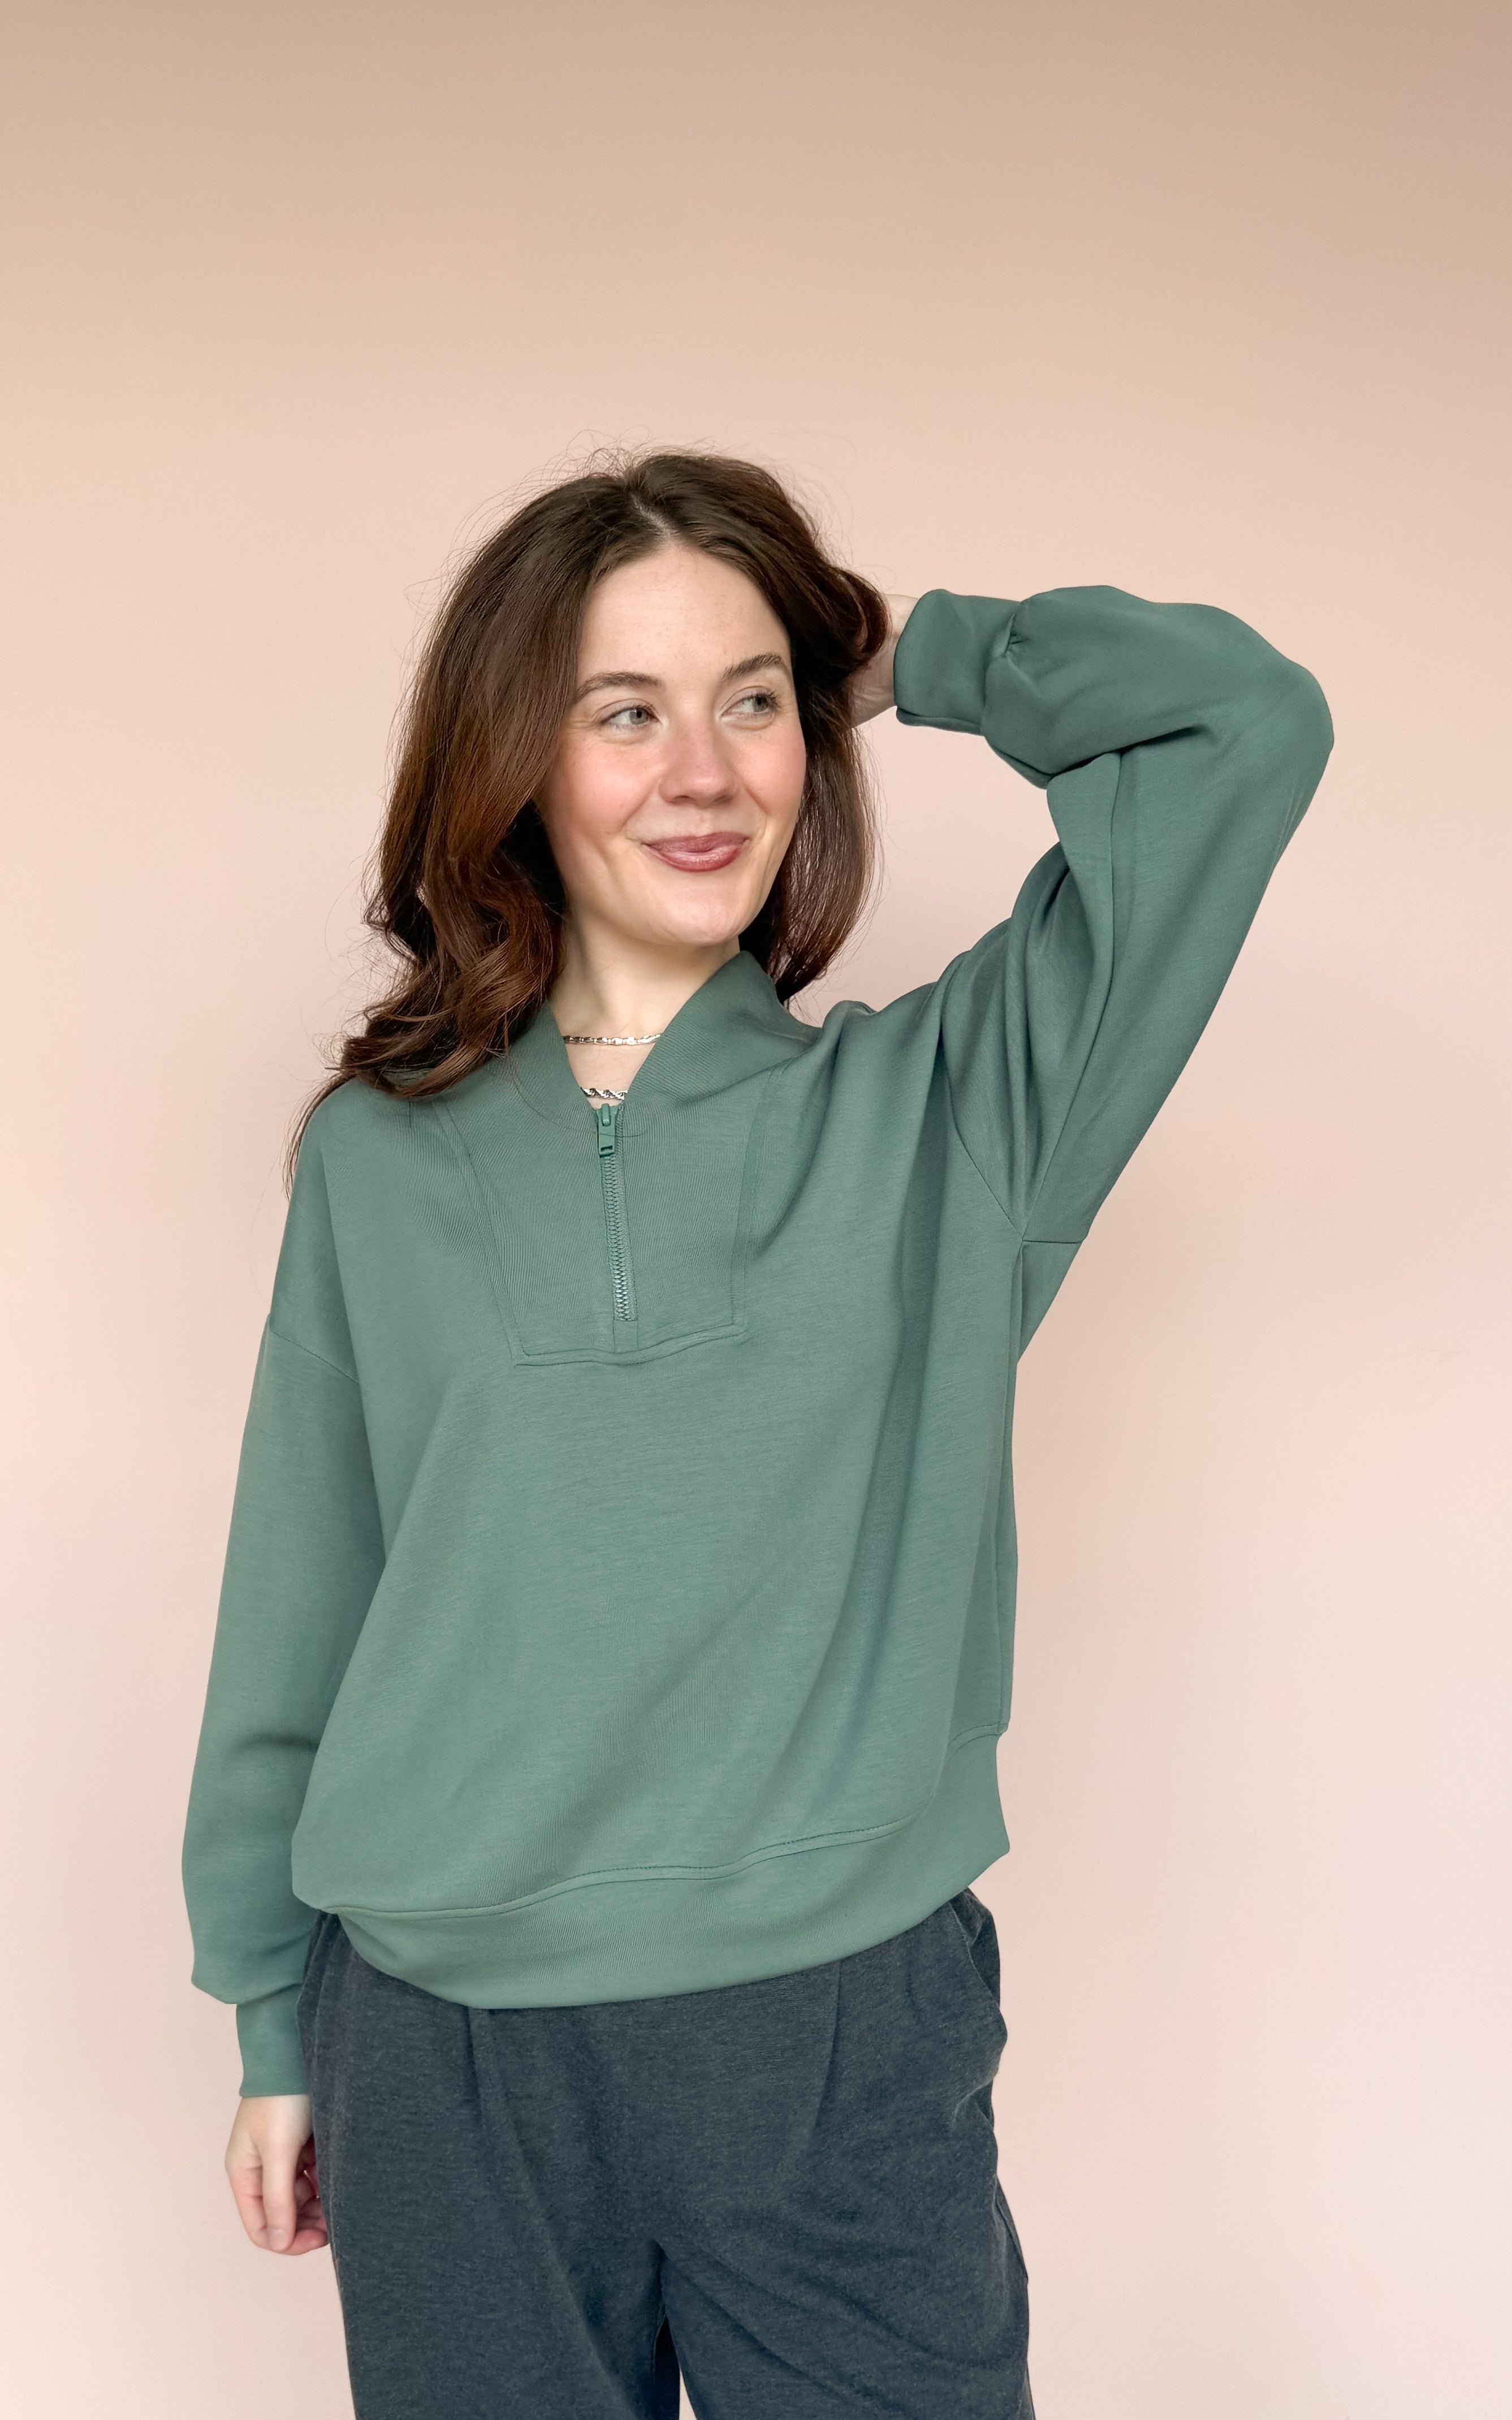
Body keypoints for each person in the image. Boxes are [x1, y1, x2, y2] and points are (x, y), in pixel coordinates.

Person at [182, 448, 1332, 2418]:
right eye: (624, 713)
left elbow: (1244, 722)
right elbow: (307, 1593)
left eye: (751, 704)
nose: (703, 774)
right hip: (447, 2052)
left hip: (833, 2032)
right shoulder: (380, 1159)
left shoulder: (955, 1113)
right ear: (515, 759)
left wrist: (899, 654)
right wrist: (274, 2019)